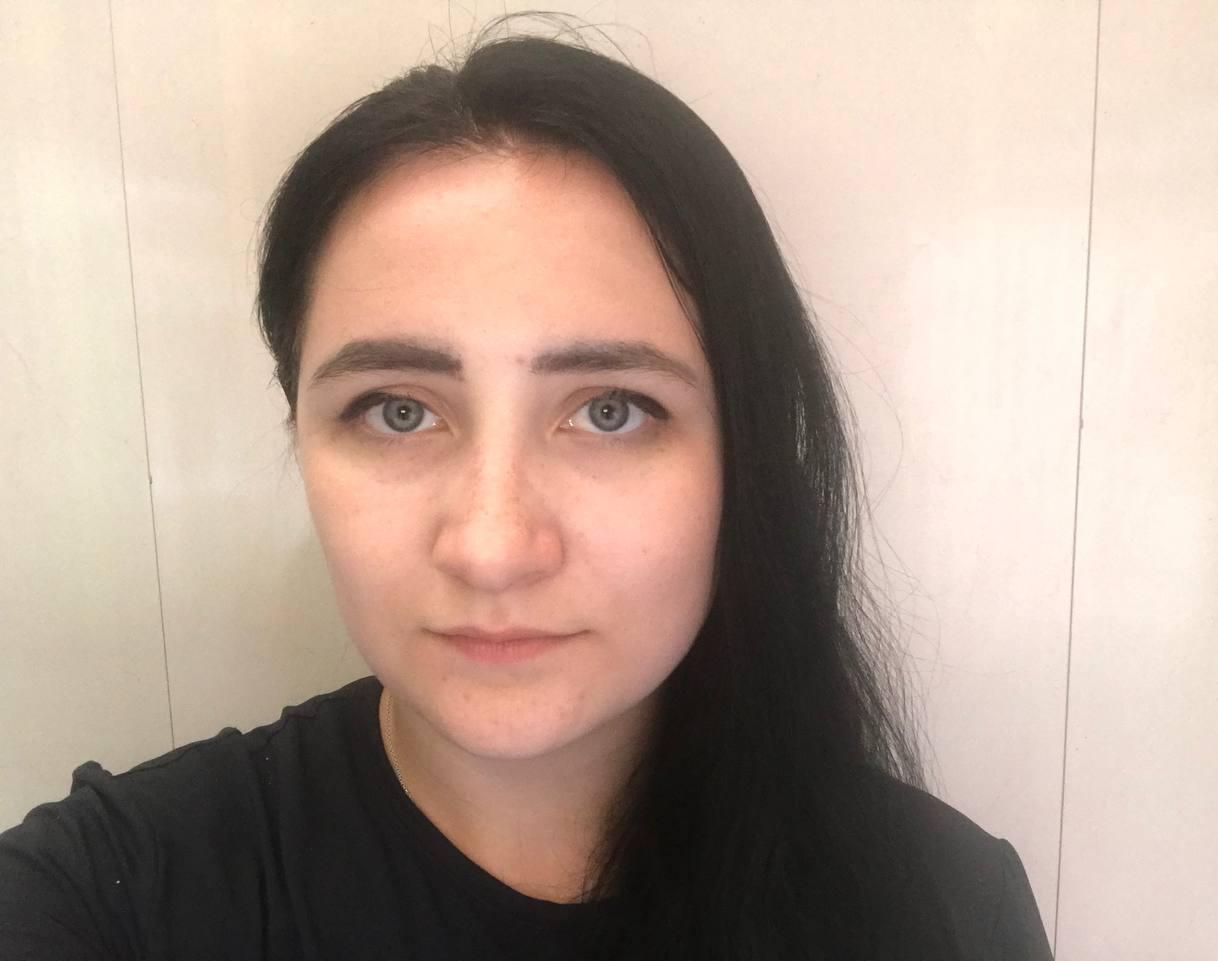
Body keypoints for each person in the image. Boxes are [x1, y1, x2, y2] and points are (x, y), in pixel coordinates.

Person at [0, 15, 1054, 961]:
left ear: (744, 453)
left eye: (611, 409)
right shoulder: (103, 898)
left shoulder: (944, 908)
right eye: (397, 410)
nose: (493, 546)